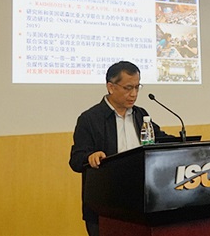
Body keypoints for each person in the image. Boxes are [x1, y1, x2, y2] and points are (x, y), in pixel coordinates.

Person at [69, 61, 172, 236]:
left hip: (140, 205)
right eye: (128, 88)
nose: (134, 94)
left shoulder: (141, 114)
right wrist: (90, 157)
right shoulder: (90, 119)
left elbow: (159, 139)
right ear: (111, 87)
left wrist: (183, 142)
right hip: (105, 206)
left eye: (137, 87)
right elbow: (76, 159)